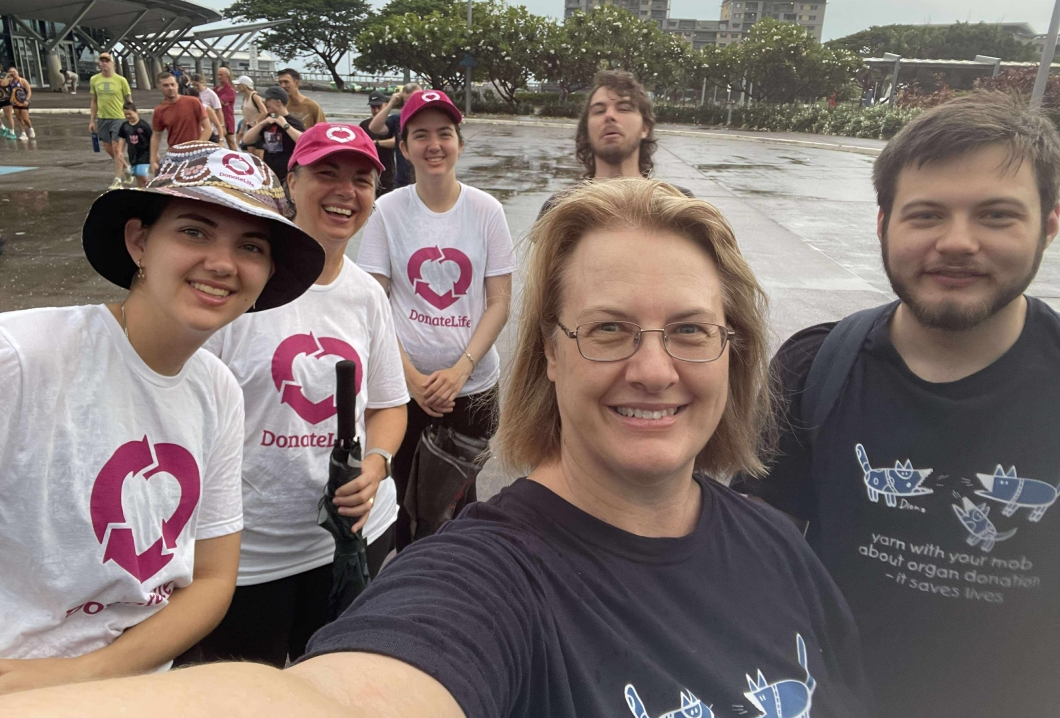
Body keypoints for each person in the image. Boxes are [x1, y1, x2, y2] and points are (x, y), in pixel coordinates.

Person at [0, 180, 873, 718]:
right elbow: (333, 696)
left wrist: (381, 457)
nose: (652, 368)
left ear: (735, 352)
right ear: (552, 356)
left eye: (690, 330)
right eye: (607, 330)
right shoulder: (486, 577)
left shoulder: (781, 555)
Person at [738, 92, 1060, 717]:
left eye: (996, 216)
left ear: (1049, 222)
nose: (958, 242)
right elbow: (756, 552)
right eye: (926, 215)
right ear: (883, 224)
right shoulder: (814, 368)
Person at [0, 142, 325, 697]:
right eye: (194, 232)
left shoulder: (216, 390)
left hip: (141, 681)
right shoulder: (22, 358)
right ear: (139, 241)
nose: (222, 263)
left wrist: (92, 673)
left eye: (250, 245)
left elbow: (212, 579)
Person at [192, 124, 408, 668]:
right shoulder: (242, 287)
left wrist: (376, 466)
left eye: (362, 179)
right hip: (247, 557)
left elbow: (388, 404)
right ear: (292, 180)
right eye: (326, 174)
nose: (346, 192)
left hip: (352, 542)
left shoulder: (365, 295)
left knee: (332, 687)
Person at [357, 89, 514, 551]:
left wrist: (459, 370)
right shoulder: (387, 210)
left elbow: (499, 301)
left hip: (473, 390)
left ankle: (458, 589)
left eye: (444, 134)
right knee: (405, 501)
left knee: (458, 503)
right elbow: (375, 301)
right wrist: (411, 378)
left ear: (459, 144)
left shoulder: (487, 211)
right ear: (402, 147)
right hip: (403, 390)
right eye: (420, 135)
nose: (434, 145)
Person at [540, 69, 690, 216]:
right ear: (586, 131)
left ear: (645, 128)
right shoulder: (559, 209)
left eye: (623, 108)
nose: (609, 116)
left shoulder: (678, 205)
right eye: (599, 111)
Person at [240, 86, 304, 185]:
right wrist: (262, 124)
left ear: (278, 102)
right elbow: (246, 140)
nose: (265, 103)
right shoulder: (267, 121)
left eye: (268, 100)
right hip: (269, 172)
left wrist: (285, 126)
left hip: (287, 173)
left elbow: (303, 140)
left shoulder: (293, 122)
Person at [151, 72, 211, 173]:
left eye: (172, 84)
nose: (170, 88)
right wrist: (152, 160)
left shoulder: (194, 102)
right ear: (159, 87)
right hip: (175, 156)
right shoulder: (159, 110)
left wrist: (197, 149)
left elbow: (208, 128)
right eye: (166, 85)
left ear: (177, 85)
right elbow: (156, 136)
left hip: (196, 155)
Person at [90, 52, 133, 188]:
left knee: (117, 148)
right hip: (103, 118)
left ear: (112, 63)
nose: (104, 63)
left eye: (107, 61)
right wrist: (92, 120)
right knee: (107, 147)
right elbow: (94, 100)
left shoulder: (121, 80)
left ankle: (117, 180)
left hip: (119, 118)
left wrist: (132, 117)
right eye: (102, 61)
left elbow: (129, 100)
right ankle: (127, 168)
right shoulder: (94, 80)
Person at [367, 83, 421, 190]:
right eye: (407, 102)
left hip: (425, 178)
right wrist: (391, 104)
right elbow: (374, 127)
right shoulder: (398, 119)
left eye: (414, 100)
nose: (411, 105)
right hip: (402, 180)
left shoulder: (429, 118)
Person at [360, 91, 396, 195]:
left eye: (379, 107)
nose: (376, 111)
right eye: (373, 107)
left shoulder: (391, 123)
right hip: (368, 170)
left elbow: (396, 142)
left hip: (387, 172)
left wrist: (375, 143)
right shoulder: (364, 124)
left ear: (386, 105)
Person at [118, 100, 153, 187]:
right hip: (133, 154)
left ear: (136, 112)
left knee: (143, 174)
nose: (128, 116)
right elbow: (122, 138)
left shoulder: (143, 125)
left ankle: (151, 189)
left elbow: (152, 139)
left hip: (144, 153)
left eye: (130, 114)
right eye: (126, 115)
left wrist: (154, 153)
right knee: (138, 175)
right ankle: (141, 191)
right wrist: (120, 151)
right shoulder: (125, 126)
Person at [191, 74, 227, 145]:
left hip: (210, 126)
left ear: (202, 82)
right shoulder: (192, 93)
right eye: (193, 85)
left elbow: (218, 111)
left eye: (197, 85)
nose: (195, 87)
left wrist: (222, 126)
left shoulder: (211, 94)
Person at [214, 67, 238, 150]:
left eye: (221, 75)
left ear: (227, 76)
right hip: (217, 118)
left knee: (230, 141)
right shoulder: (216, 89)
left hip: (227, 118)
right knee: (216, 140)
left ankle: (236, 158)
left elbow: (220, 102)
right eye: (218, 75)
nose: (219, 77)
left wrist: (216, 99)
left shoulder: (230, 90)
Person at [7, 66, 33, 141]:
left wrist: (27, 100)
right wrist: (7, 76)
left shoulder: (22, 81)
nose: (13, 73)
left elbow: (29, 91)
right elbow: (3, 84)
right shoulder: (10, 81)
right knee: (19, 118)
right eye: (11, 72)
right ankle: (23, 133)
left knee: (25, 118)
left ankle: (30, 128)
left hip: (23, 101)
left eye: (14, 72)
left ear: (17, 72)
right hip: (15, 102)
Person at [0, 69, 16, 140]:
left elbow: (3, 83)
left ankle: (12, 132)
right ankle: (3, 128)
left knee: (8, 115)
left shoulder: (5, 75)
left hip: (6, 99)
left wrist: (6, 76)